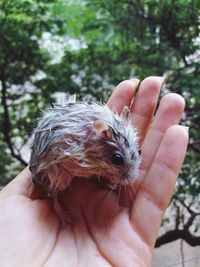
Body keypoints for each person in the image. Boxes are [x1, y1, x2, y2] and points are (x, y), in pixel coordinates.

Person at [0, 77, 188, 267]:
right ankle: (57, 202)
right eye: (117, 160)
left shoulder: (117, 129)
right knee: (61, 177)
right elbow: (80, 161)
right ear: (102, 134)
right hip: (54, 159)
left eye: (137, 152)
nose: (132, 177)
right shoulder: (90, 143)